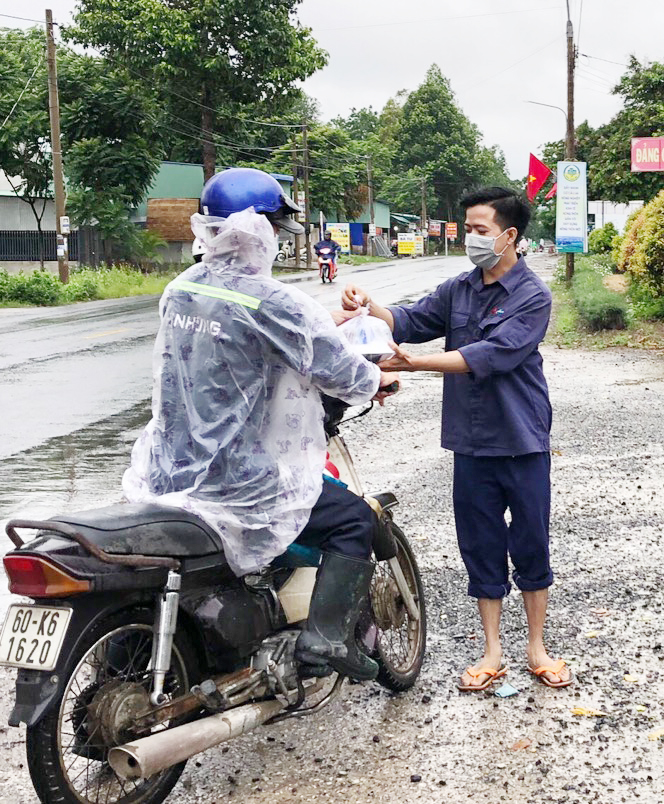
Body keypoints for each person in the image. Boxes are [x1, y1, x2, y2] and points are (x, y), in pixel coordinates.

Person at [122, 168, 400, 681]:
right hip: (243, 476)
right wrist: (375, 380)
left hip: (171, 469)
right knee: (352, 521)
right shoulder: (273, 302)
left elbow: (242, 329)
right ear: (261, 232)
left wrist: (319, 323)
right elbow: (333, 365)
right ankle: (325, 643)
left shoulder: (181, 289)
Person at [340, 186, 571, 690]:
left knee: (531, 541)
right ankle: (492, 651)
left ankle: (537, 647)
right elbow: (412, 319)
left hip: (522, 438)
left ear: (509, 236)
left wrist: (415, 363)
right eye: (467, 229)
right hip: (470, 442)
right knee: (480, 543)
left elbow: (492, 354)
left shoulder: (533, 296)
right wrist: (368, 304)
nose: (471, 238)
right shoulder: (459, 289)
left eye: (480, 230)